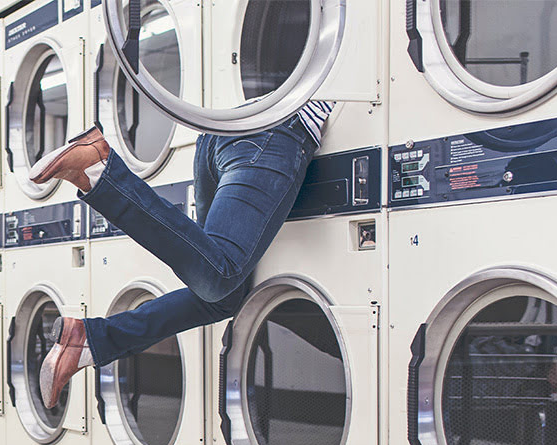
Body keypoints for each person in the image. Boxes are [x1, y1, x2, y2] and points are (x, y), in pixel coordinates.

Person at [30, 101, 336, 408]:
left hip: (221, 135)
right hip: (274, 135)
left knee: (221, 297)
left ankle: (89, 341)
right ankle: (99, 171)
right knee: (219, 277)